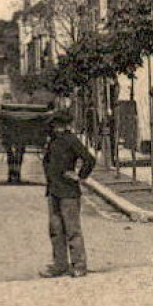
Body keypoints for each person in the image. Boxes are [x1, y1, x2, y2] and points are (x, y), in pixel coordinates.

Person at [39, 107, 95, 278]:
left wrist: (79, 176)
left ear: (64, 125)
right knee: (55, 230)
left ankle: (79, 265)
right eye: (54, 125)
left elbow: (89, 159)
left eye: (58, 124)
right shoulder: (52, 141)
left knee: (72, 230)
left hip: (69, 192)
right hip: (53, 191)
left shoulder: (71, 140)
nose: (56, 128)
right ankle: (60, 265)